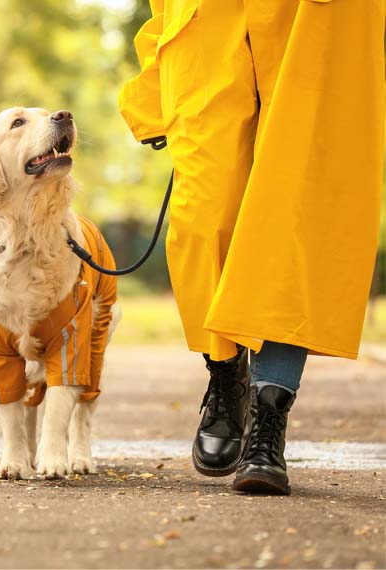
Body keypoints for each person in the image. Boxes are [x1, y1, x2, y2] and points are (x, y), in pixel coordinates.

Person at [119, 0, 385, 494]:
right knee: (201, 218)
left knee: (292, 224)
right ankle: (226, 374)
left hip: (315, 22)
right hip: (205, 30)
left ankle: (269, 418)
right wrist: (154, 85)